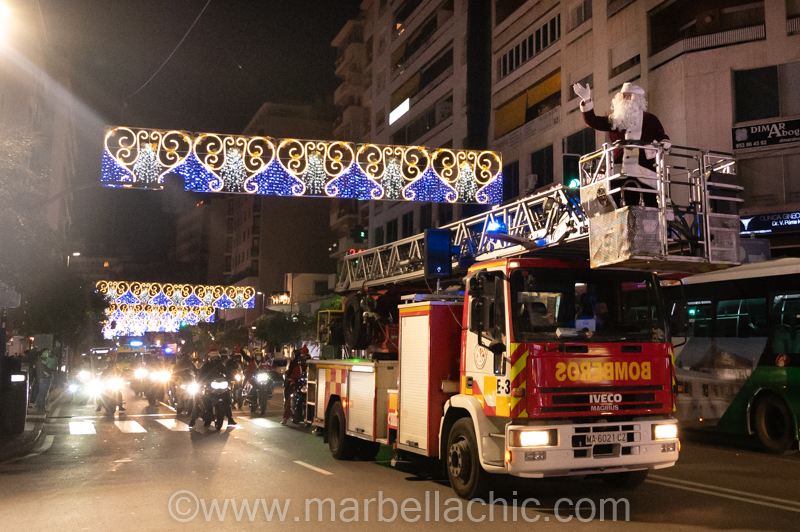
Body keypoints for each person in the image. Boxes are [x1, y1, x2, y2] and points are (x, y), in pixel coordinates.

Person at [573, 82, 670, 206]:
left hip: (644, 173)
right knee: (619, 206)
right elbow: (592, 121)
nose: (625, 99)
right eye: (623, 96)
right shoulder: (615, 120)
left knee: (648, 205)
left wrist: (665, 143)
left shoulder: (649, 119)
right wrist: (586, 100)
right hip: (619, 174)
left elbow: (661, 136)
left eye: (628, 96)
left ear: (637, 99)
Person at [190, 349, 236, 428]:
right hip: (209, 386)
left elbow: (226, 372)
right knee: (198, 398)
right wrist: (199, 381)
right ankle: (193, 419)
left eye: (215, 357)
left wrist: (230, 377)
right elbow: (201, 374)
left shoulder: (220, 365)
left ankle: (230, 418)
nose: (214, 358)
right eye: (212, 357)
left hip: (220, 386)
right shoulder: (206, 365)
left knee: (227, 397)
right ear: (210, 357)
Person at [34, 348, 57, 413]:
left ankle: (39, 405)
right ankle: (41, 407)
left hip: (43, 378)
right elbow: (43, 370)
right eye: (46, 352)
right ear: (43, 353)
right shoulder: (41, 360)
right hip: (44, 378)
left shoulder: (42, 360)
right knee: (43, 393)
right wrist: (49, 373)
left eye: (48, 352)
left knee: (42, 392)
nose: (47, 354)